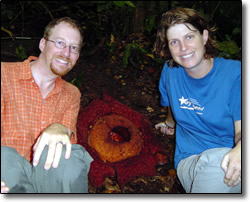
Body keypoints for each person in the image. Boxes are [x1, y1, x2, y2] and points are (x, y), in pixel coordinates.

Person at [154, 8, 241, 193]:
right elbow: (172, 101)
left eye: (189, 37)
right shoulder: (170, 72)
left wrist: (241, 150)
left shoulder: (235, 74)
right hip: (193, 159)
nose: (183, 48)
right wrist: (169, 124)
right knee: (218, 165)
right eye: (174, 42)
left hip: (238, 157)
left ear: (204, 36)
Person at [1, 17, 93, 193]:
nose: (66, 53)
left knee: (71, 156)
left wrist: (60, 128)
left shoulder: (71, 93)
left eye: (74, 48)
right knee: (4, 157)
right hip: (8, 180)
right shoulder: (4, 75)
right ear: (43, 44)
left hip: (48, 182)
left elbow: (66, 153)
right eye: (60, 43)